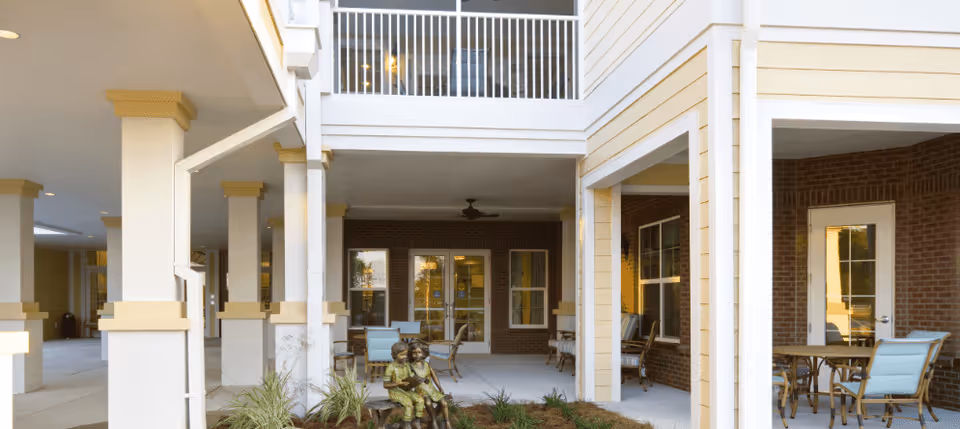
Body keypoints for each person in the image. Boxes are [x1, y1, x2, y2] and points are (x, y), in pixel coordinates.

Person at [410, 343, 453, 429]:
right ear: (410, 354)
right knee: (428, 402)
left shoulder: (427, 364)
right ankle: (433, 420)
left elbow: (434, 377)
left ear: (423, 353)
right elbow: (410, 380)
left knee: (443, 402)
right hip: (420, 390)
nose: (417, 355)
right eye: (414, 352)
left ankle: (447, 422)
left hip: (431, 389)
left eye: (419, 352)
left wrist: (440, 387)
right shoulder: (411, 366)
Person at [383, 342, 425, 429]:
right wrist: (397, 383)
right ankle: (406, 424)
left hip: (406, 390)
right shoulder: (391, 367)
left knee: (420, 400)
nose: (405, 357)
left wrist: (416, 380)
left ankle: (417, 421)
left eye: (406, 354)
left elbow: (411, 377)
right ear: (395, 355)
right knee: (408, 403)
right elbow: (385, 385)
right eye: (402, 355)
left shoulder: (406, 365)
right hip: (395, 392)